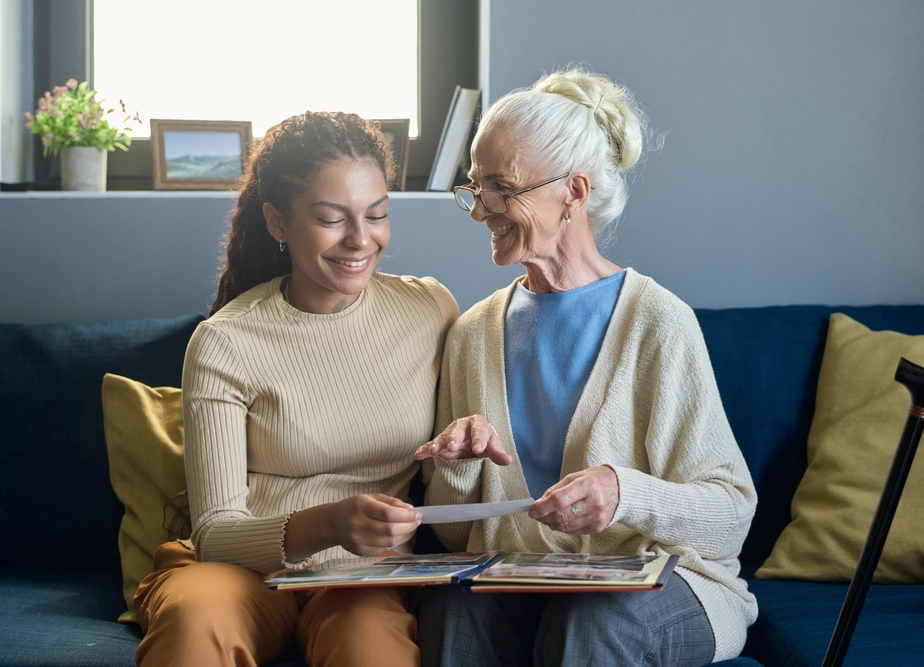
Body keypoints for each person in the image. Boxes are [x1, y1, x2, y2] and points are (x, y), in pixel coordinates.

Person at [413, 68, 758, 666]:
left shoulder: (657, 321)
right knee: (453, 605)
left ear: (574, 190)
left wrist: (624, 493)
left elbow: (730, 515)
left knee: (593, 617)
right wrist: (462, 471)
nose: (479, 211)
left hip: (666, 586)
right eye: (475, 186)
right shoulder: (471, 333)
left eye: (502, 187)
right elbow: (452, 538)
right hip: (525, 584)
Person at [133, 111, 459, 667]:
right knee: (196, 623)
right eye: (332, 218)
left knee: (369, 649)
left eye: (377, 214)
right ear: (277, 223)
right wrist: (330, 523)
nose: (361, 239)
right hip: (235, 572)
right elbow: (215, 534)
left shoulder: (430, 310)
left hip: (364, 580)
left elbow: (455, 472)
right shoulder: (224, 342)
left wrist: (467, 442)